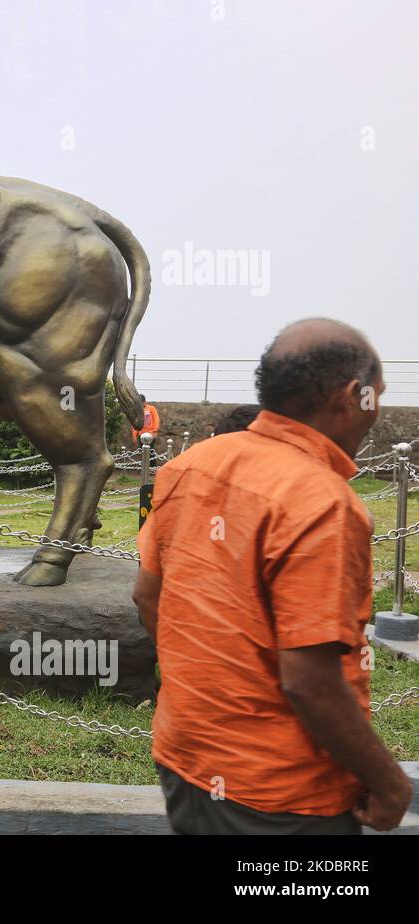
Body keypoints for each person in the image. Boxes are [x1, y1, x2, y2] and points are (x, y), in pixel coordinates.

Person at [134, 318, 412, 834]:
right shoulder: (323, 503)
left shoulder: (191, 466)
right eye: (377, 397)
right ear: (352, 396)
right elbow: (311, 682)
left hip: (183, 756)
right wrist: (391, 783)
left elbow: (147, 595)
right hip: (285, 795)